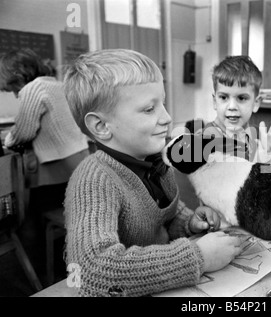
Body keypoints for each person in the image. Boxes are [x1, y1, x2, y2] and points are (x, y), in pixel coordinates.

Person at [63, 49, 242, 297]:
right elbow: (93, 271)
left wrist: (189, 222)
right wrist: (197, 257)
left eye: (163, 103)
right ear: (101, 126)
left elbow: (163, 216)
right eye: (149, 109)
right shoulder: (94, 179)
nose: (167, 118)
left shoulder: (156, 160)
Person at [0, 48, 89, 225]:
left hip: (58, 164)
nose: (12, 92)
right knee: (63, 206)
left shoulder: (33, 89)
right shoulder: (56, 84)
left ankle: (37, 247)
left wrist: (8, 140)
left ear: (15, 74)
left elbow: (24, 132)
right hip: (79, 157)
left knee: (32, 213)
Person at [202, 55, 271, 165]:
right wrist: (259, 162)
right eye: (224, 97)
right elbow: (226, 177)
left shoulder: (258, 135)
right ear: (215, 102)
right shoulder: (207, 138)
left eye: (241, 98)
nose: (232, 106)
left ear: (256, 103)